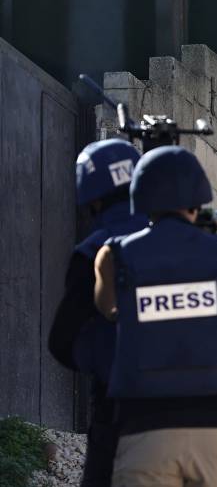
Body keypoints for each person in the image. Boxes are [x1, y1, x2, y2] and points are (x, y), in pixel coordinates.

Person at [93, 145, 217, 487]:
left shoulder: (113, 256)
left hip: (144, 427)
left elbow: (108, 309)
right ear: (198, 199)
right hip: (214, 428)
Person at [48, 139, 148, 487]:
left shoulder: (94, 251)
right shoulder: (190, 240)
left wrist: (104, 357)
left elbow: (61, 341)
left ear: (93, 197)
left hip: (118, 414)